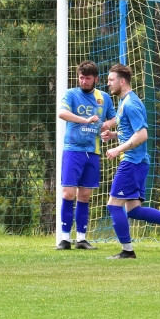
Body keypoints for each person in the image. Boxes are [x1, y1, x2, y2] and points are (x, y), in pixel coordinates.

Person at [101, 63, 160, 259]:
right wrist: (114, 135)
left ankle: (127, 251)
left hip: (132, 162)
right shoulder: (126, 102)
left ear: (122, 81)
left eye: (111, 80)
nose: (108, 84)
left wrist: (118, 149)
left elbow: (142, 135)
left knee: (114, 205)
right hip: (137, 162)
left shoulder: (131, 104)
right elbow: (131, 132)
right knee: (133, 210)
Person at [55, 60, 116, 250]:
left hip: (93, 151)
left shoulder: (104, 97)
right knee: (68, 193)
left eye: (87, 78)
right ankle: (65, 238)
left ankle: (81, 238)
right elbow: (62, 114)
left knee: (85, 195)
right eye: (81, 78)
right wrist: (85, 120)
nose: (83, 81)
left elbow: (114, 117)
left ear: (96, 79)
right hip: (73, 149)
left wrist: (107, 127)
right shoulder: (71, 94)